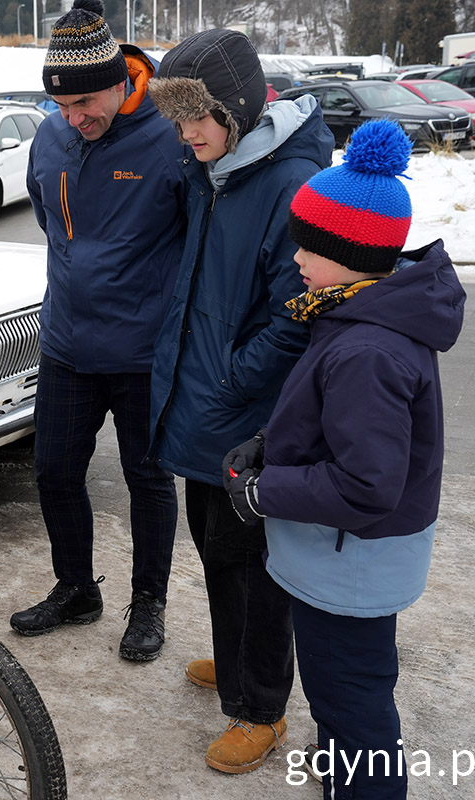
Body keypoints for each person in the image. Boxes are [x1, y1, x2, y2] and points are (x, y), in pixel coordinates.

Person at [222, 119, 466, 799]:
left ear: (348, 250)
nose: (296, 257)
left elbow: (366, 482)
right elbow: (335, 427)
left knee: (353, 708)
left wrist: (266, 491)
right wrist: (271, 447)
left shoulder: (367, 349)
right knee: (342, 701)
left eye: (309, 244)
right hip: (342, 557)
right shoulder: (358, 313)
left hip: (351, 562)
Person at [145, 28, 333, 773]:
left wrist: (228, 380)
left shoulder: (286, 185)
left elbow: (297, 318)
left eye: (197, 115)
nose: (186, 133)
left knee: (253, 562)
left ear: (241, 107)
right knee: (216, 548)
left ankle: (263, 708)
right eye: (178, 116)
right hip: (204, 406)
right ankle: (236, 661)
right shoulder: (220, 168)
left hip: (245, 414)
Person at [10, 0, 187, 664]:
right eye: (61, 105)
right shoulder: (51, 137)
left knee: (148, 480)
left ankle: (149, 603)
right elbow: (49, 223)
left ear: (121, 81)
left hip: (144, 353)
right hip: (67, 345)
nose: (73, 118)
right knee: (54, 471)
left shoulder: (170, 135)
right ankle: (77, 588)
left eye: (85, 102)